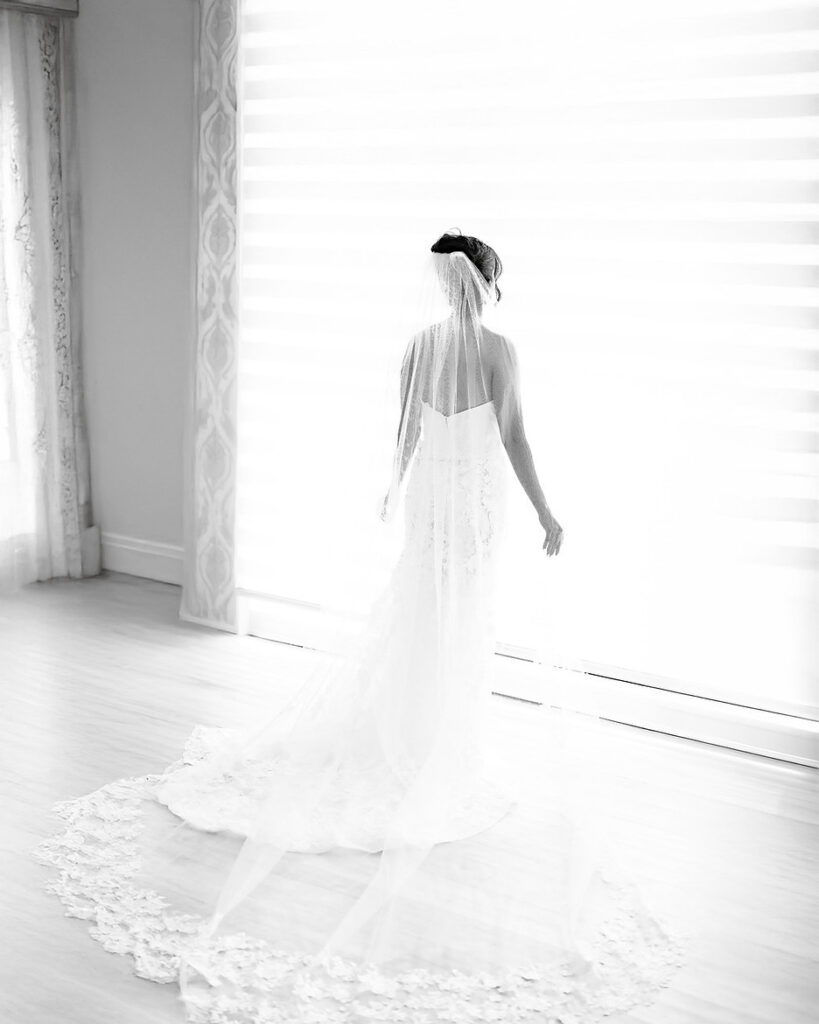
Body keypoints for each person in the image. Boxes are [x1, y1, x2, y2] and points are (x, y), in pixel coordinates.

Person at [35, 231, 684, 1023]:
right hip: (474, 502)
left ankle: (408, 728)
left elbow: (405, 431)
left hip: (432, 501)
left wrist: (395, 486)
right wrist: (546, 509)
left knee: (418, 609)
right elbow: (512, 436)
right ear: (484, 282)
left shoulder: (417, 345)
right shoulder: (500, 350)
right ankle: (437, 741)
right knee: (458, 619)